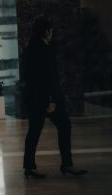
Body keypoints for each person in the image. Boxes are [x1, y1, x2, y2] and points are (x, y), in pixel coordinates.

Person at [22, 17, 88, 179]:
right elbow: (47, 77)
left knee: (34, 132)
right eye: (51, 31)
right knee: (64, 126)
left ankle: (29, 167)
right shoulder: (43, 49)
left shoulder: (31, 47)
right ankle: (66, 164)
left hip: (35, 98)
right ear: (46, 32)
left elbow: (31, 76)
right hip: (46, 99)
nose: (52, 34)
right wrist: (51, 100)